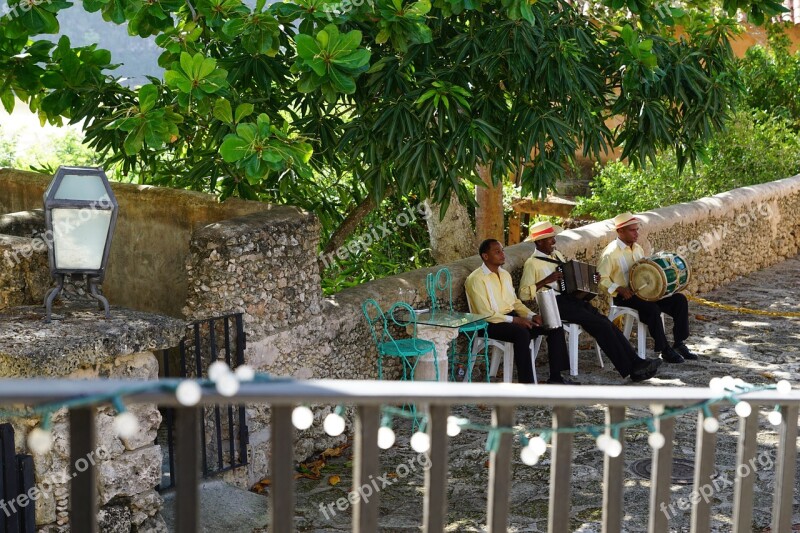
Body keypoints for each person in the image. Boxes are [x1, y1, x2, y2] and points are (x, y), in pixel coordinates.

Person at [518, 221, 662, 382]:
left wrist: (591, 281)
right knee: (600, 325)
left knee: (606, 323)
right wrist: (546, 280)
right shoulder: (532, 264)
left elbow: (568, 278)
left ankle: (636, 363)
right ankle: (632, 367)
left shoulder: (556, 256)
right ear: (539, 242)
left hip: (569, 300)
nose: (554, 242)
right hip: (554, 303)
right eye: (550, 239)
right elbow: (523, 294)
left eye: (553, 238)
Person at [465, 238, 576, 384]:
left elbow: (515, 303)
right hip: (488, 324)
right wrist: (516, 320)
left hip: (511, 318)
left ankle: (556, 377)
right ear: (485, 256)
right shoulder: (476, 279)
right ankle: (527, 384)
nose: (502, 255)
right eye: (497, 252)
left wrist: (532, 315)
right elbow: (485, 313)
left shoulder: (505, 274)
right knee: (521, 333)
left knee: (554, 325)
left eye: (502, 251)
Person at [597, 212, 698, 363]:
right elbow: (601, 280)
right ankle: (664, 349)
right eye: (632, 230)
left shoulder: (637, 248)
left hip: (644, 293)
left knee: (679, 300)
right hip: (624, 297)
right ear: (620, 231)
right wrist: (619, 289)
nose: (636, 233)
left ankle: (679, 343)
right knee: (652, 309)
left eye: (637, 229)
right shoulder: (610, 254)